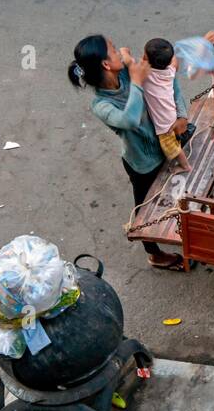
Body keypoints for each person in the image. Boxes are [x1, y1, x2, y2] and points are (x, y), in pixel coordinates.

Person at [67, 34, 188, 270]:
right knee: (145, 212)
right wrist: (137, 81)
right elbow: (130, 119)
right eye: (113, 50)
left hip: (168, 142)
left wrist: (182, 114)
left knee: (179, 187)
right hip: (142, 163)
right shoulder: (101, 105)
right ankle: (154, 253)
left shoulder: (127, 72)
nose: (119, 50)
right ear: (106, 64)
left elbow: (168, 80)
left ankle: (182, 228)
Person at [142, 38, 193, 172]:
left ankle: (185, 166)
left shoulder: (148, 75)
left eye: (144, 55)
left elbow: (132, 65)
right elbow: (175, 61)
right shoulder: (170, 71)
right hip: (171, 113)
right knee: (173, 142)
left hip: (164, 122)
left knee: (170, 146)